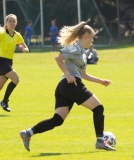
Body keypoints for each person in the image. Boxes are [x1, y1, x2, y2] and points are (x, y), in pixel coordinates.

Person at [19, 21, 116, 151]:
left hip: (65, 87)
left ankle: (28, 132)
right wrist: (68, 75)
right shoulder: (75, 48)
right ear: (86, 36)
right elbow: (58, 58)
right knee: (98, 108)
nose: (92, 41)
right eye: (92, 38)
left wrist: (101, 81)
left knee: (57, 120)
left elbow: (84, 75)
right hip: (70, 84)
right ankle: (100, 141)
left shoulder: (82, 53)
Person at [0, 14, 29, 115]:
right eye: (10, 21)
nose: (12, 23)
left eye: (14, 21)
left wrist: (23, 49)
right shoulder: (2, 34)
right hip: (0, 62)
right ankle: (4, 101)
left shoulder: (17, 35)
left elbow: (26, 48)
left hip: (8, 62)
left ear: (16, 23)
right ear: (6, 23)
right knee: (16, 79)